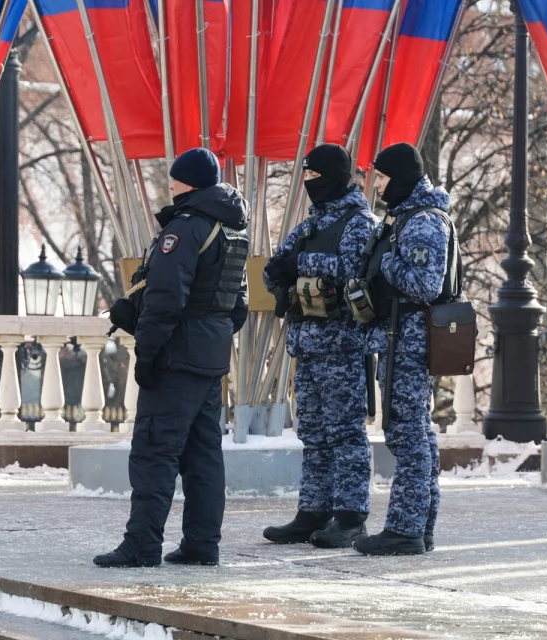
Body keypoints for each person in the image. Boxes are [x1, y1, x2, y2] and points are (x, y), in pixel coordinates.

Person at [94, 148, 250, 568]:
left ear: (190, 183)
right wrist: (210, 336)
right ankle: (202, 544)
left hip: (175, 358)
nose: (171, 185)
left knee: (154, 451)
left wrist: (148, 352)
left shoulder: (183, 230)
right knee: (204, 455)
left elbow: (164, 299)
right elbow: (238, 306)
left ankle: (142, 545)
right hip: (211, 359)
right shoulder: (233, 230)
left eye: (176, 178)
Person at [261, 144, 377, 549]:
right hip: (307, 346)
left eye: (315, 176)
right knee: (312, 434)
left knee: (345, 434)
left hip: (342, 346)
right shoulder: (310, 223)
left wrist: (303, 264)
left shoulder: (359, 222)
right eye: (306, 176)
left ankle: (350, 517)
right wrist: (282, 270)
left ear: (334, 177)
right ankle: (312, 511)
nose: (309, 183)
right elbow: (274, 267)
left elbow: (354, 270)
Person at [354, 143, 450, 556]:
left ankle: (405, 529)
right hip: (400, 340)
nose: (376, 185)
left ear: (400, 177)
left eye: (381, 177)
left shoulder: (423, 221)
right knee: (415, 435)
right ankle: (419, 527)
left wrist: (386, 263)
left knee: (408, 436)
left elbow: (425, 285)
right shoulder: (405, 218)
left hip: (409, 343)